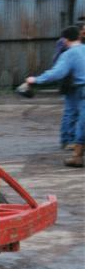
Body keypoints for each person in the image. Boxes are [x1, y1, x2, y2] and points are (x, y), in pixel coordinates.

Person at [23, 25, 85, 168]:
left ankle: (77, 157)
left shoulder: (69, 54)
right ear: (79, 36)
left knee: (81, 123)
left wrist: (36, 80)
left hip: (82, 89)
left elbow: (57, 73)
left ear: (65, 39)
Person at [53, 22, 85, 150]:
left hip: (75, 81)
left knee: (77, 112)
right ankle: (67, 139)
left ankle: (73, 140)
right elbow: (59, 63)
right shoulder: (66, 44)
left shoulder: (79, 43)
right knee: (71, 112)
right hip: (70, 81)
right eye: (83, 29)